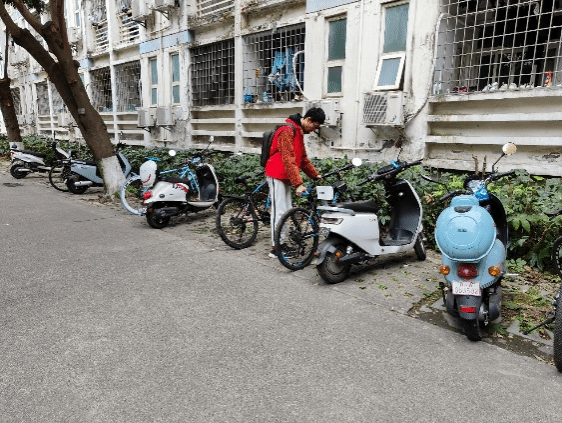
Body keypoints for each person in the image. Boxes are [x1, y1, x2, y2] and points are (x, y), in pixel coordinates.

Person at [264, 107, 325, 258]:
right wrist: (298, 183)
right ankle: (276, 248)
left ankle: (281, 244)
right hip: (276, 174)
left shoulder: (298, 131)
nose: (314, 130)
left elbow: (302, 158)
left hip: (285, 176)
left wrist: (314, 175)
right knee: (279, 212)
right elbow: (288, 158)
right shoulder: (287, 130)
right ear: (308, 119)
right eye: (315, 126)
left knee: (286, 211)